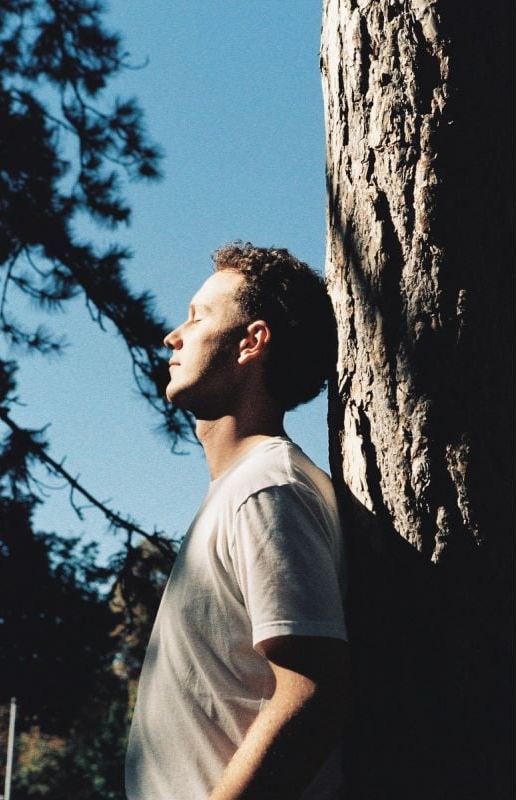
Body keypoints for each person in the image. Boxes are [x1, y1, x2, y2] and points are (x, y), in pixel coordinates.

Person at [125, 242, 351, 800]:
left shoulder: (267, 487)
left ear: (251, 342)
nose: (173, 335)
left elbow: (314, 691)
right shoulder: (242, 490)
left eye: (197, 317)